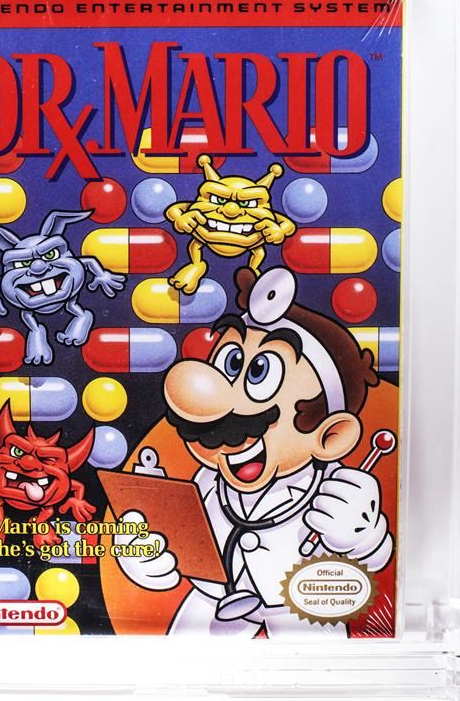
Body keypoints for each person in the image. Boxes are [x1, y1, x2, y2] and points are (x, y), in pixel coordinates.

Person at [115, 266, 393, 636]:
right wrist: (143, 555)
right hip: (212, 602)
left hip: (301, 606)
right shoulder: (208, 482)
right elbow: (179, 544)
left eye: (259, 372)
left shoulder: (338, 490)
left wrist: (364, 535)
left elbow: (375, 557)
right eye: (231, 364)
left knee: (319, 667)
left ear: (331, 437)